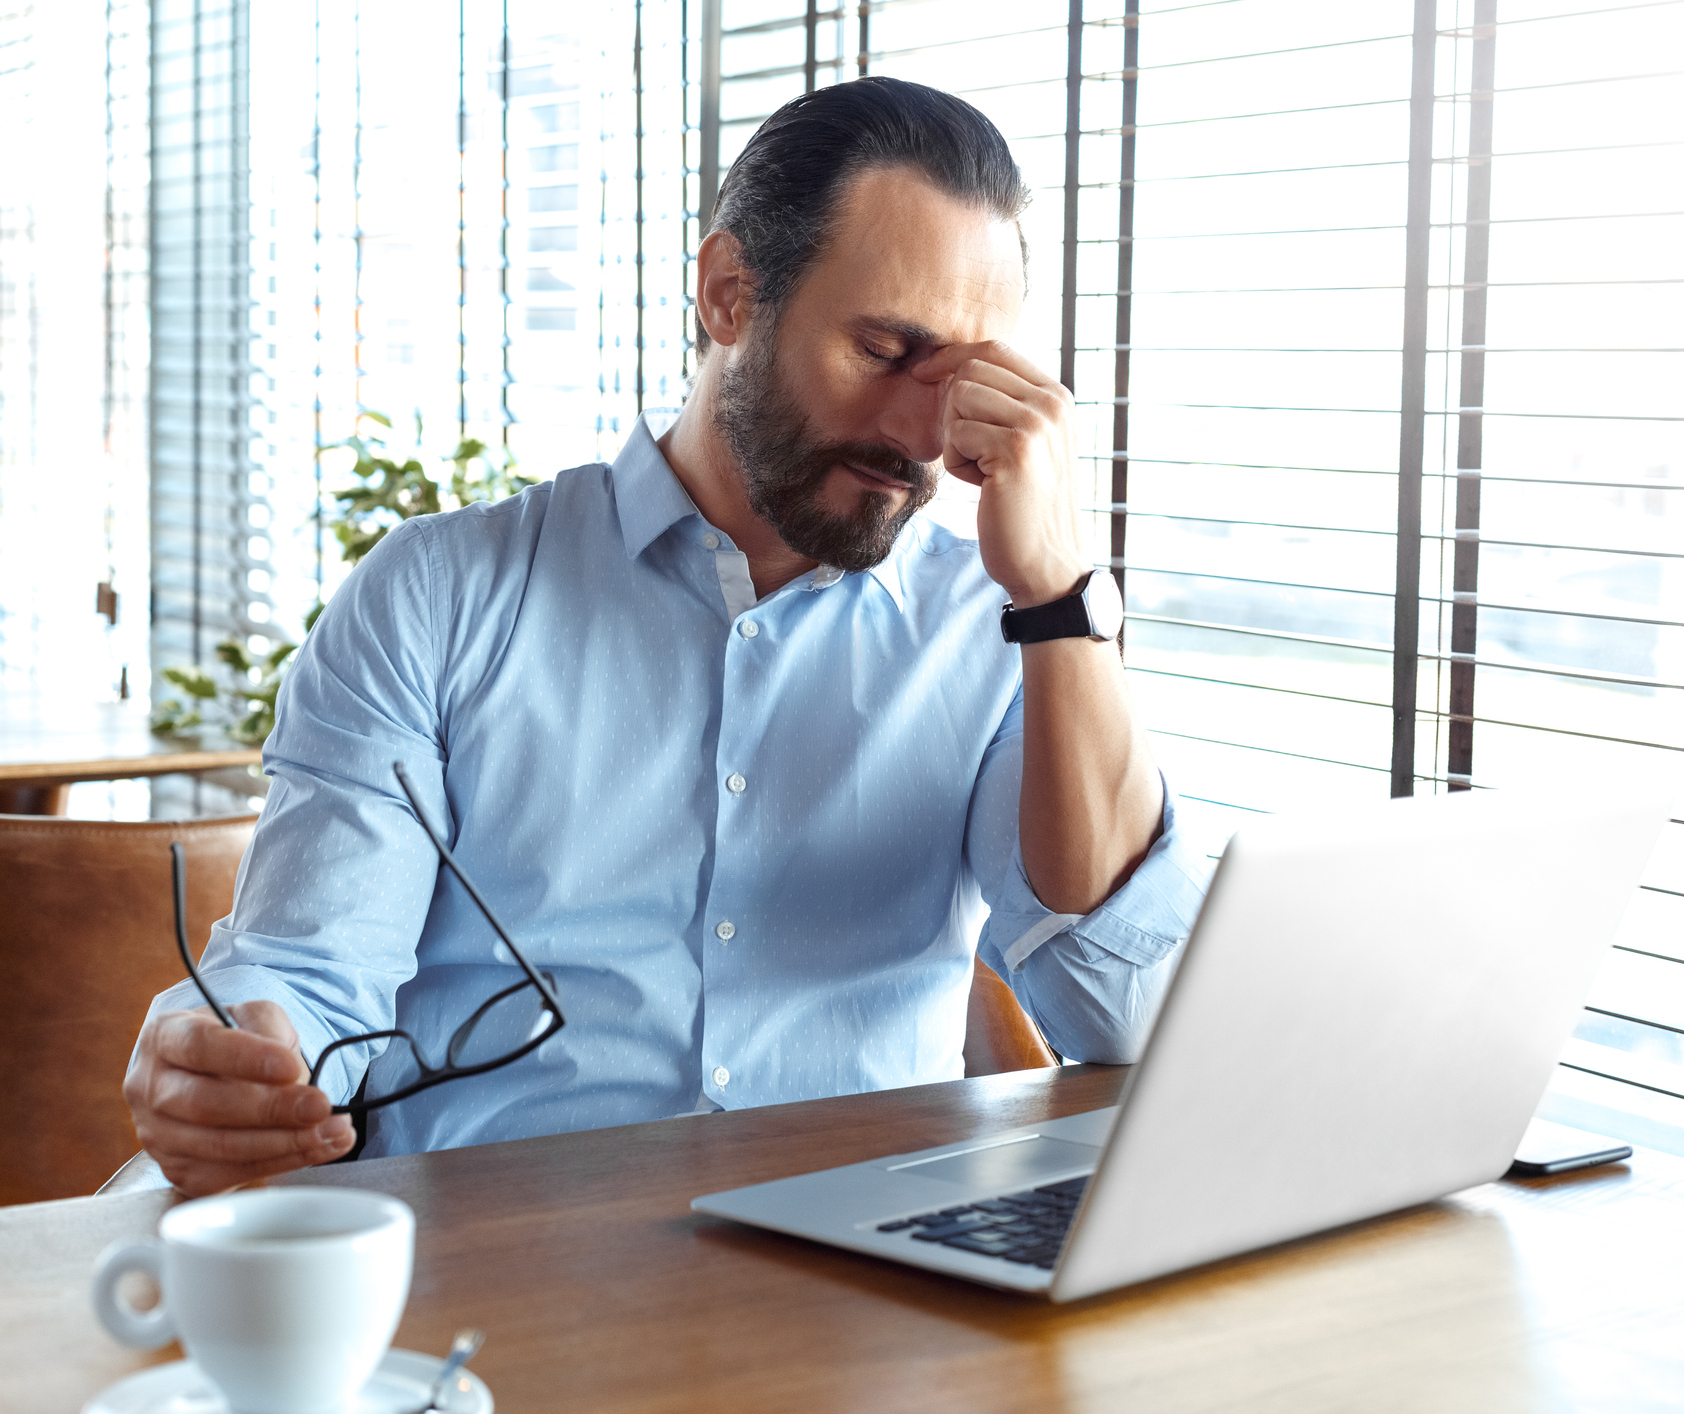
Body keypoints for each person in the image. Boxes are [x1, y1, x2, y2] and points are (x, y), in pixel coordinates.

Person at [124, 77, 1209, 1197]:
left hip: (870, 1304)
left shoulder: (999, 627)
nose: (923, 433)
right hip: (496, 1280)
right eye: (886, 350)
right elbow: (306, 970)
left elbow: (1121, 1012)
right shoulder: (438, 596)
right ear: (730, 293)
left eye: (967, 380)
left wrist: (1063, 598)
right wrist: (233, 1063)